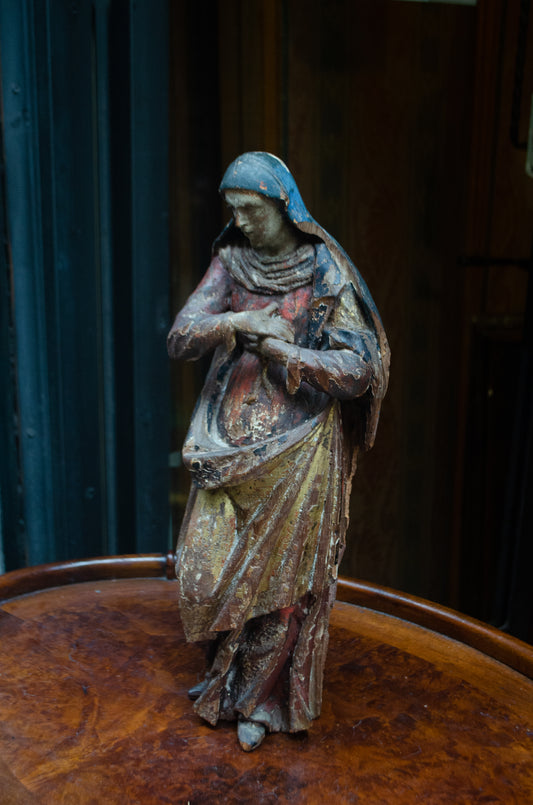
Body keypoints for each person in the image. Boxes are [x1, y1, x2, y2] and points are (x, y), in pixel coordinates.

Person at [167, 152, 389, 751]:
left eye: (250, 210)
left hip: (299, 443)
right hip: (227, 436)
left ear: (284, 205)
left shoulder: (324, 268)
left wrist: (292, 358)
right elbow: (181, 334)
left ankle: (258, 703)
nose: (239, 223)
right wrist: (241, 324)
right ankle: (220, 677)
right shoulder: (231, 261)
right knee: (204, 563)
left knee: (282, 589)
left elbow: (359, 367)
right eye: (232, 211)